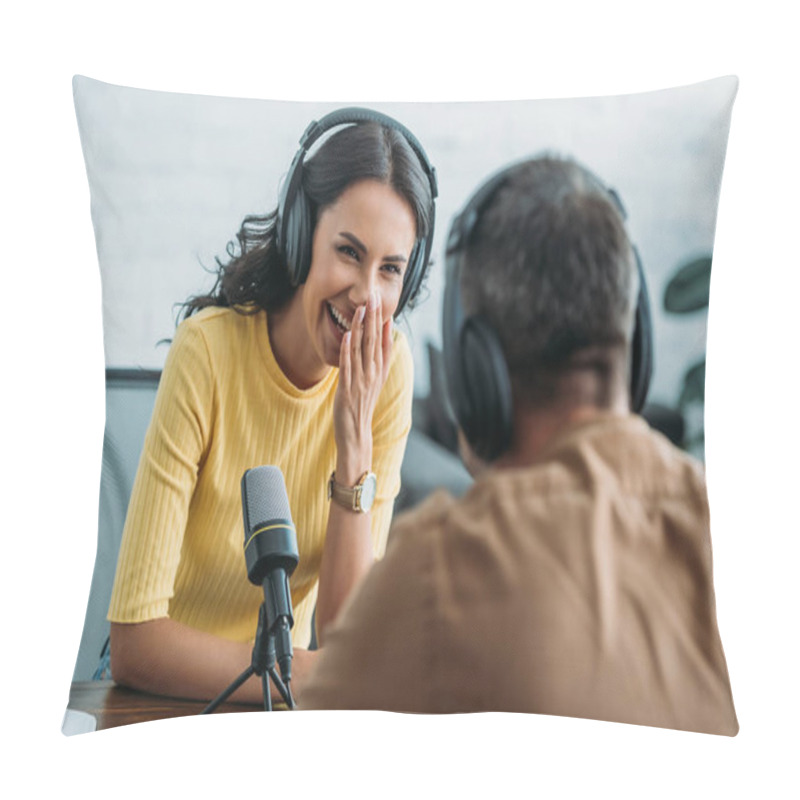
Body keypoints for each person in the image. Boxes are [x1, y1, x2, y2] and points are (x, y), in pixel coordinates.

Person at [298, 156, 739, 736]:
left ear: (472, 369)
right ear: (636, 344)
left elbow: (329, 721)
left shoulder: (442, 571)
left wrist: (352, 450)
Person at [105, 108, 437, 705]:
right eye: (347, 251)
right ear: (300, 234)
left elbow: (343, 633)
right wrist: (299, 677)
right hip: (165, 704)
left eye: (390, 270)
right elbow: (135, 641)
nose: (366, 294)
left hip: (277, 712)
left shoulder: (387, 375)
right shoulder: (207, 354)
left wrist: (354, 439)